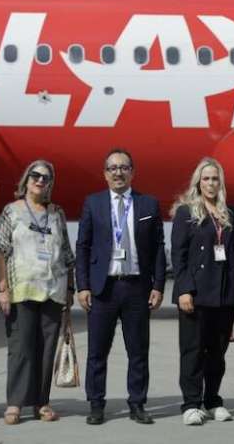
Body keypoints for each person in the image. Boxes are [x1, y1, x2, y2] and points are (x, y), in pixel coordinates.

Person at [76, 148, 166, 425]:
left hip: (137, 288)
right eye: (113, 168)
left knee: (138, 352)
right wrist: (83, 286)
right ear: (105, 174)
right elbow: (83, 246)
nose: (118, 173)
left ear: (132, 172)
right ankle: (96, 404)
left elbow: (159, 248)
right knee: (97, 352)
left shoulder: (148, 204)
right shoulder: (93, 203)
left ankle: (137, 404)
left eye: (124, 167)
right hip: (103, 289)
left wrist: (158, 285)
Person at [0, 160, 75, 424]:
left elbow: (66, 254)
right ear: (26, 180)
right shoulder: (12, 211)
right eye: (35, 175)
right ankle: (15, 403)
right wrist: (2, 288)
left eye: (46, 177)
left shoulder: (57, 213)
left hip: (53, 290)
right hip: (21, 289)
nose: (40, 180)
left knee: (46, 349)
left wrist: (70, 288)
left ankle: (41, 402)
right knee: (21, 348)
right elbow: (1, 250)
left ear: (50, 184)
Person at [170, 157, 234, 426]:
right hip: (196, 293)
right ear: (198, 183)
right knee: (192, 351)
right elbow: (178, 256)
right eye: (206, 179)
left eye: (215, 179)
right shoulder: (186, 213)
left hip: (225, 294)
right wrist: (184, 290)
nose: (211, 183)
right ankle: (191, 403)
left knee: (217, 353)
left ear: (220, 182)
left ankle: (213, 400)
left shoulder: (232, 213)